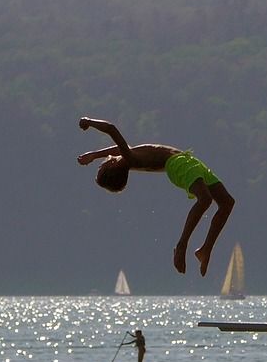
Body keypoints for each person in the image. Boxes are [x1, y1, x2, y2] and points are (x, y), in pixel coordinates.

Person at [77, 117, 235, 276]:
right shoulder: (130, 158)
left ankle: (206, 249)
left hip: (189, 160)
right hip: (179, 164)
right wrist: (88, 122)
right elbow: (111, 129)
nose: (104, 160)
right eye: (102, 164)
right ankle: (182, 245)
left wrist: (94, 154)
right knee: (205, 200)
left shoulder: (129, 156)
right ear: (112, 166)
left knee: (227, 202)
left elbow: (118, 149)